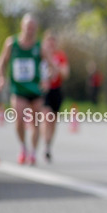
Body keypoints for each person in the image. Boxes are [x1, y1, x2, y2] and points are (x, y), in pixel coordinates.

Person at [0, 14, 48, 165]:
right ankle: (23, 147)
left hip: (36, 90)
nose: (30, 30)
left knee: (36, 123)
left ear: (36, 29)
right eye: (28, 27)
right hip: (18, 89)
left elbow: (50, 65)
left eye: (33, 28)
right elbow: (2, 62)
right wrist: (2, 77)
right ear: (22, 27)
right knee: (19, 119)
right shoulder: (11, 44)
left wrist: (46, 79)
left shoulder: (39, 46)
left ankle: (33, 152)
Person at [40, 30, 70, 162]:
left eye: (53, 42)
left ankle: (48, 145)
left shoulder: (60, 56)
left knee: (53, 120)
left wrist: (55, 67)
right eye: (49, 41)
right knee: (46, 116)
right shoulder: (40, 55)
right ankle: (45, 142)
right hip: (43, 90)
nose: (51, 44)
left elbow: (65, 73)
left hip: (56, 90)